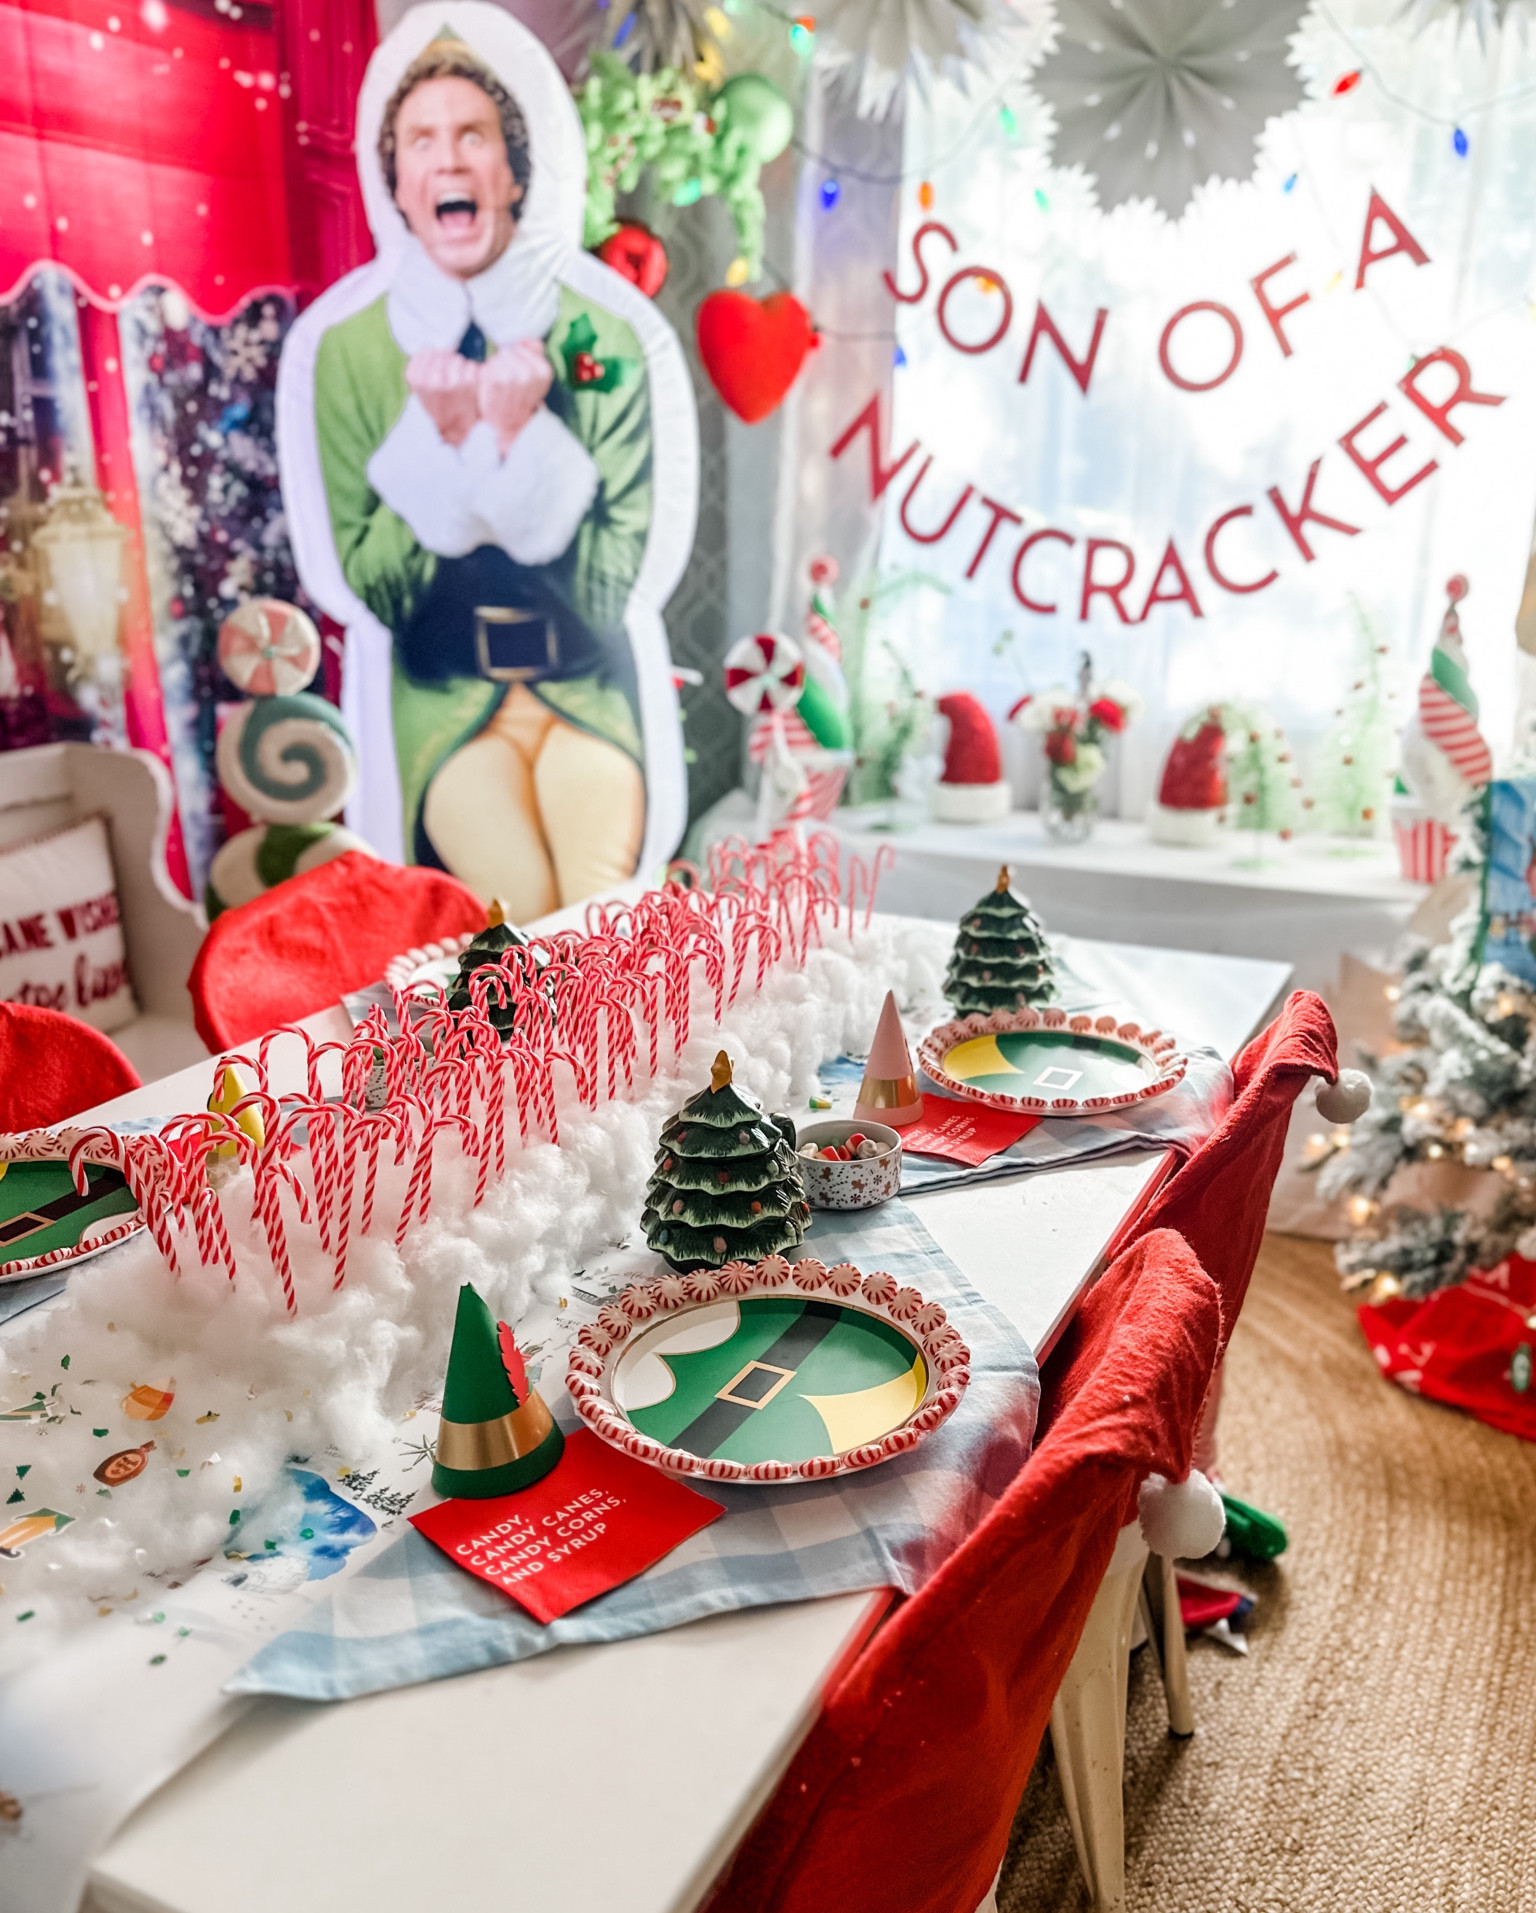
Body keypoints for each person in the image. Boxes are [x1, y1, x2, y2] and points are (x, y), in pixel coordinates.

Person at [285, 17, 692, 916]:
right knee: (517, 925)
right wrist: (442, 442)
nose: (450, 162)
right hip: (444, 703)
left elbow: (612, 577)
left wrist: (519, 438)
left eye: (474, 135)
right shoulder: (345, 352)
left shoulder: (606, 336)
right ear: (392, 177)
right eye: (421, 140)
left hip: (588, 685)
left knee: (603, 919)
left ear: (516, 168)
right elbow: (373, 582)